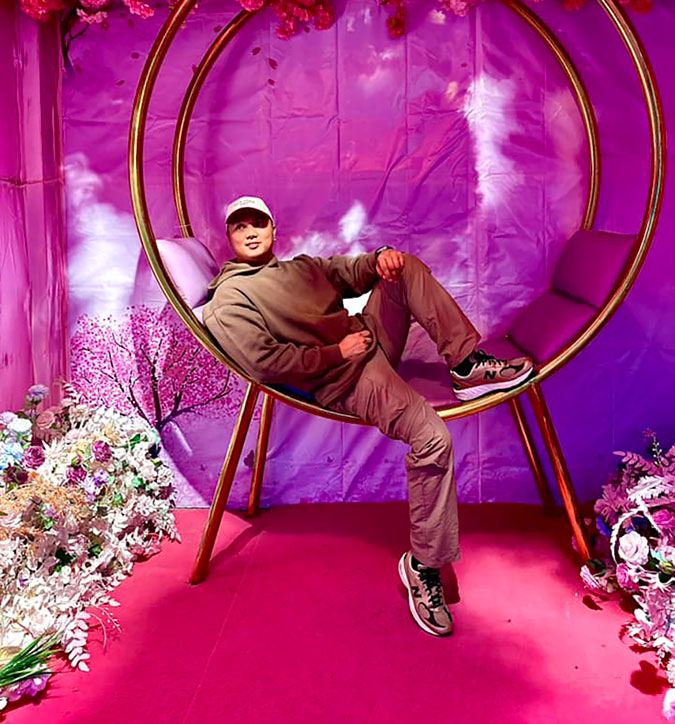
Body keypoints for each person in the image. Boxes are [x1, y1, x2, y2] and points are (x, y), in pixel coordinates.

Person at [203, 195, 534, 637]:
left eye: (257, 222)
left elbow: (342, 271)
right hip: (347, 377)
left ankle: (464, 365)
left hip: (370, 339)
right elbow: (265, 363)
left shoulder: (296, 267)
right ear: (229, 238)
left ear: (273, 229)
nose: (250, 231)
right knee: (433, 438)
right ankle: (424, 565)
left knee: (405, 268)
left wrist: (379, 260)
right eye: (239, 226)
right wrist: (334, 353)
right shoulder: (230, 298)